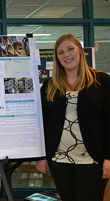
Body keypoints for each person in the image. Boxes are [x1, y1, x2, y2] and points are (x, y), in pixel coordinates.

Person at [36, 34, 110, 201]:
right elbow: (42, 122)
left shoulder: (101, 81)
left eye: (70, 49)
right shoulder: (50, 85)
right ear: (57, 57)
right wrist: (41, 155)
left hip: (93, 159)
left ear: (80, 51)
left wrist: (109, 158)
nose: (66, 55)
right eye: (60, 52)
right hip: (59, 159)